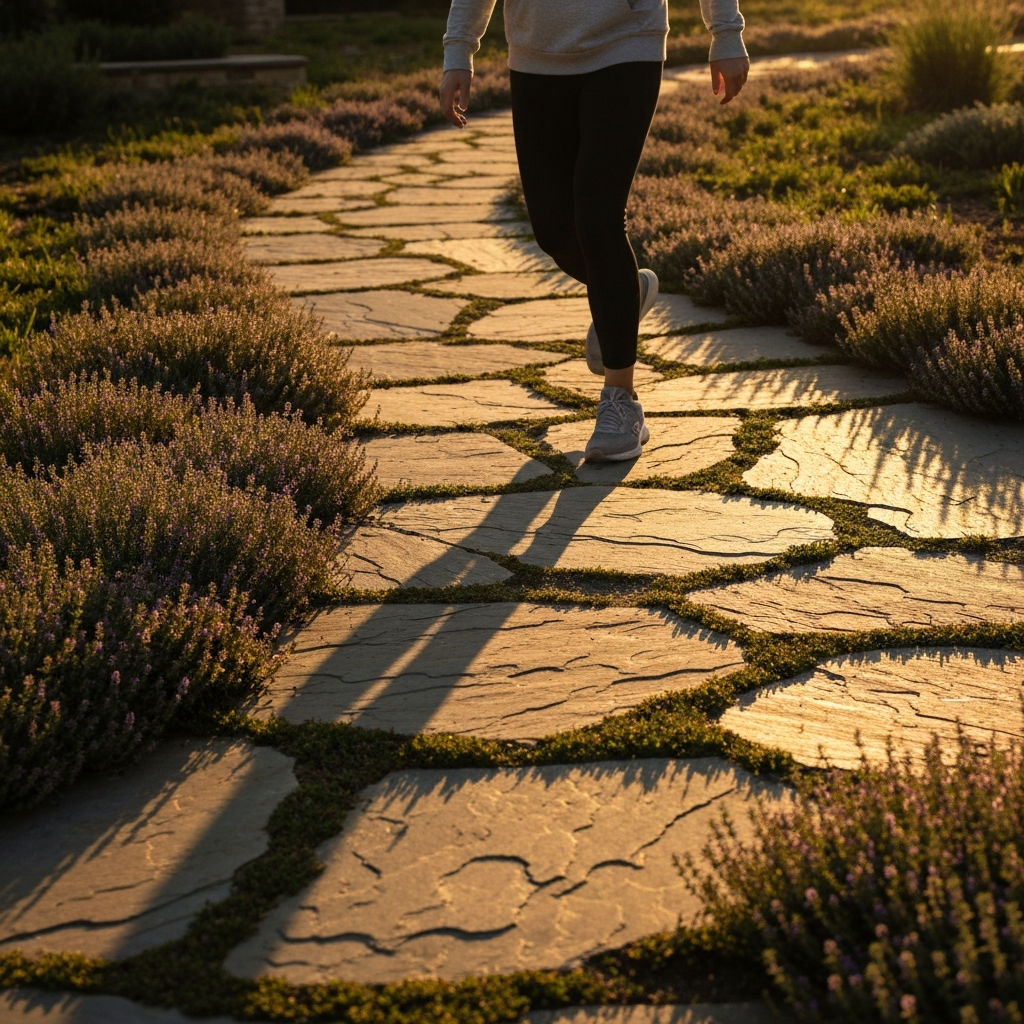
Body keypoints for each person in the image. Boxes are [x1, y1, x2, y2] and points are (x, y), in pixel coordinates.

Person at [439, 0, 749, 462]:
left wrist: (725, 30)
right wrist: (458, 50)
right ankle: (624, 290)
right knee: (553, 230)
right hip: (535, 53)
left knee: (598, 217)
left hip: (627, 42)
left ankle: (620, 402)